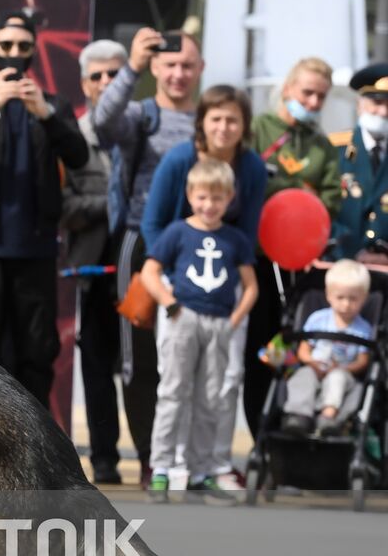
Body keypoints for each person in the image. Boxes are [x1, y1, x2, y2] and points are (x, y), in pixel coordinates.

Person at [0, 15, 88, 407]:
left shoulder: (52, 105)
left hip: (34, 248)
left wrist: (45, 113)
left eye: (22, 47)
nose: (13, 55)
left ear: (33, 50)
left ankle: (35, 449)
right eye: (5, 46)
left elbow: (78, 156)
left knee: (37, 352)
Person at [91, 26, 202, 485]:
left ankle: (186, 458)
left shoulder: (208, 119)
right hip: (140, 244)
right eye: (169, 65)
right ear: (156, 68)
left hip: (196, 250)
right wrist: (131, 65)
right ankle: (149, 457)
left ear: (200, 70)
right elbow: (102, 122)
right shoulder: (142, 114)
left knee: (193, 357)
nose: (178, 73)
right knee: (139, 359)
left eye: (187, 66)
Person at [142, 84, 267, 485]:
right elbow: (154, 223)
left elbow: (247, 237)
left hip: (224, 296)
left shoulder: (251, 168)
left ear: (244, 125)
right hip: (181, 289)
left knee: (221, 386)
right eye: (216, 118)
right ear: (202, 122)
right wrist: (170, 287)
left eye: (233, 119)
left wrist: (233, 306)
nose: (224, 127)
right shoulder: (180, 159)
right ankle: (165, 463)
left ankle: (210, 464)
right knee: (175, 383)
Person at [243, 57, 341, 435]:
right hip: (258, 261)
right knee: (259, 353)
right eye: (307, 93)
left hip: (301, 266)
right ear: (287, 89)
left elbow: (330, 200)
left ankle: (288, 436)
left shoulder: (322, 145)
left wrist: (298, 200)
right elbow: (252, 186)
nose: (314, 102)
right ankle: (257, 437)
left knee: (297, 353)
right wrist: (298, 193)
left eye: (321, 96)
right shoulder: (258, 130)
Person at [61, 38, 128, 484]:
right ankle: (105, 459)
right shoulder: (72, 138)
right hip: (94, 264)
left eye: (114, 74)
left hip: (141, 262)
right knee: (98, 363)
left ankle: (158, 457)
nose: (105, 83)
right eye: (97, 75)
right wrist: (113, 202)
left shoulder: (144, 130)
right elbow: (61, 205)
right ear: (84, 83)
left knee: (146, 364)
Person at [282, 259, 372, 437]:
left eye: (353, 299)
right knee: (303, 375)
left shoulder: (363, 329)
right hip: (315, 366)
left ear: (364, 299)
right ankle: (299, 415)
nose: (346, 304)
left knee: (337, 378)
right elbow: (303, 350)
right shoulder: (318, 319)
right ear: (329, 295)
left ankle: (328, 417)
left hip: (344, 371)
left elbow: (363, 360)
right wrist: (312, 363)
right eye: (340, 298)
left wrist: (344, 368)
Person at [332, 62, 388, 261]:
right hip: (343, 264)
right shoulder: (333, 149)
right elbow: (322, 208)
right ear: (359, 105)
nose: (384, 112)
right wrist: (351, 250)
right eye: (377, 102)